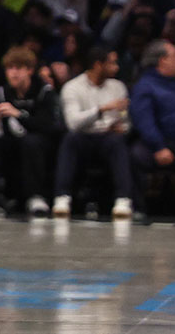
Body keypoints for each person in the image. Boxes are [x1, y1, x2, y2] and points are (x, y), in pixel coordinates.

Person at [55, 45, 132, 219]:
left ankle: (123, 199)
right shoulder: (72, 87)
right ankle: (62, 196)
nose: (117, 67)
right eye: (112, 63)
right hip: (84, 138)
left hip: (107, 138)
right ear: (98, 65)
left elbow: (125, 121)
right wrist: (102, 109)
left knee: (118, 141)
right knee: (70, 139)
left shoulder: (118, 87)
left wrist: (123, 128)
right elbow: (73, 123)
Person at [0, 46, 63, 216]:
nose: (13, 73)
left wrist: (19, 114)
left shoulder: (44, 91)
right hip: (12, 141)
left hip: (43, 143)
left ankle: (36, 196)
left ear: (30, 70)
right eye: (10, 68)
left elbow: (49, 126)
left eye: (19, 68)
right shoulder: (1, 93)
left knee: (31, 142)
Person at [129, 40, 175, 224]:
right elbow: (144, 119)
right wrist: (158, 147)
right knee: (136, 155)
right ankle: (138, 208)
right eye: (174, 55)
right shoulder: (146, 86)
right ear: (162, 61)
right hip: (155, 142)